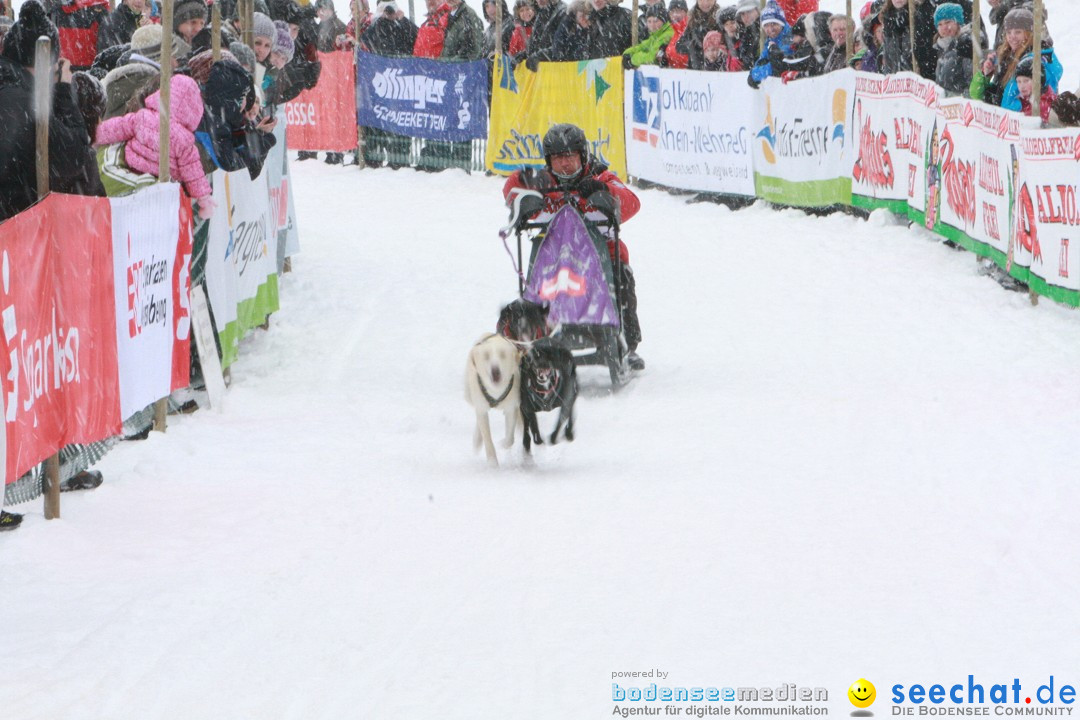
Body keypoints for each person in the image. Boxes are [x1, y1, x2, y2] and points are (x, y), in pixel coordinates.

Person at [502, 123, 645, 370]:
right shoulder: (544, 183)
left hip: (601, 260)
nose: (565, 164)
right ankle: (531, 337)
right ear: (549, 161)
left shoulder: (600, 176)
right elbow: (510, 191)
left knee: (623, 279)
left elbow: (632, 203)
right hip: (554, 260)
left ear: (583, 156)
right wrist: (527, 184)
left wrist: (603, 191)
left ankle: (627, 345)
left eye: (570, 157)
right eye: (558, 159)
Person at [0, 0, 104, 222]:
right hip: (14, 229)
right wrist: (64, 91)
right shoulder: (25, 103)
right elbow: (75, 155)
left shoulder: (12, 90)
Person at [94, 73, 216, 218]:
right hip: (162, 180)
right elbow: (194, 175)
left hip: (133, 167)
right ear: (195, 110)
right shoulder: (185, 142)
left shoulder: (142, 117)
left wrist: (94, 135)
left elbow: (117, 127)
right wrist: (204, 200)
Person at [932, 2, 985, 96]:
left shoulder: (965, 45)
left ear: (957, 22)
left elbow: (972, 81)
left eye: (948, 22)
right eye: (939, 24)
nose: (944, 27)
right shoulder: (942, 47)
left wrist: (960, 101)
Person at [879, 0, 936, 79]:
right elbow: (889, 61)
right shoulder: (887, 21)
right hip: (896, 84)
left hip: (917, 81)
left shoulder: (921, 16)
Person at [747, 0, 791, 87]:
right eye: (766, 25)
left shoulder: (790, 38)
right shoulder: (770, 41)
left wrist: (755, 74)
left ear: (781, 24)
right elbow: (761, 61)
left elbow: (777, 67)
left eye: (774, 24)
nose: (770, 29)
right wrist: (756, 71)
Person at [621, 3, 671, 68]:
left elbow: (652, 58)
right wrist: (628, 53)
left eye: (656, 21)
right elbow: (642, 46)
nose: (652, 25)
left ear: (663, 21)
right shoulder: (656, 35)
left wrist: (633, 59)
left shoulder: (667, 35)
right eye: (649, 21)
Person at [675, 0, 718, 71]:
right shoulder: (693, 19)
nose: (705, 3)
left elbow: (729, 45)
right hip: (695, 71)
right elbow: (678, 46)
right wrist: (692, 47)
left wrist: (713, 48)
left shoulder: (721, 18)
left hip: (718, 71)